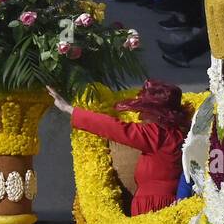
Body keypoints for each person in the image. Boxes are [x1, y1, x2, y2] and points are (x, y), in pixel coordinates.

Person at [49, 80, 187, 215]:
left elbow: (114, 128)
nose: (140, 116)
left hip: (154, 207)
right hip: (164, 205)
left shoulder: (157, 135)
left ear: (158, 115)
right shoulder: (177, 135)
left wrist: (70, 110)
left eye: (145, 111)